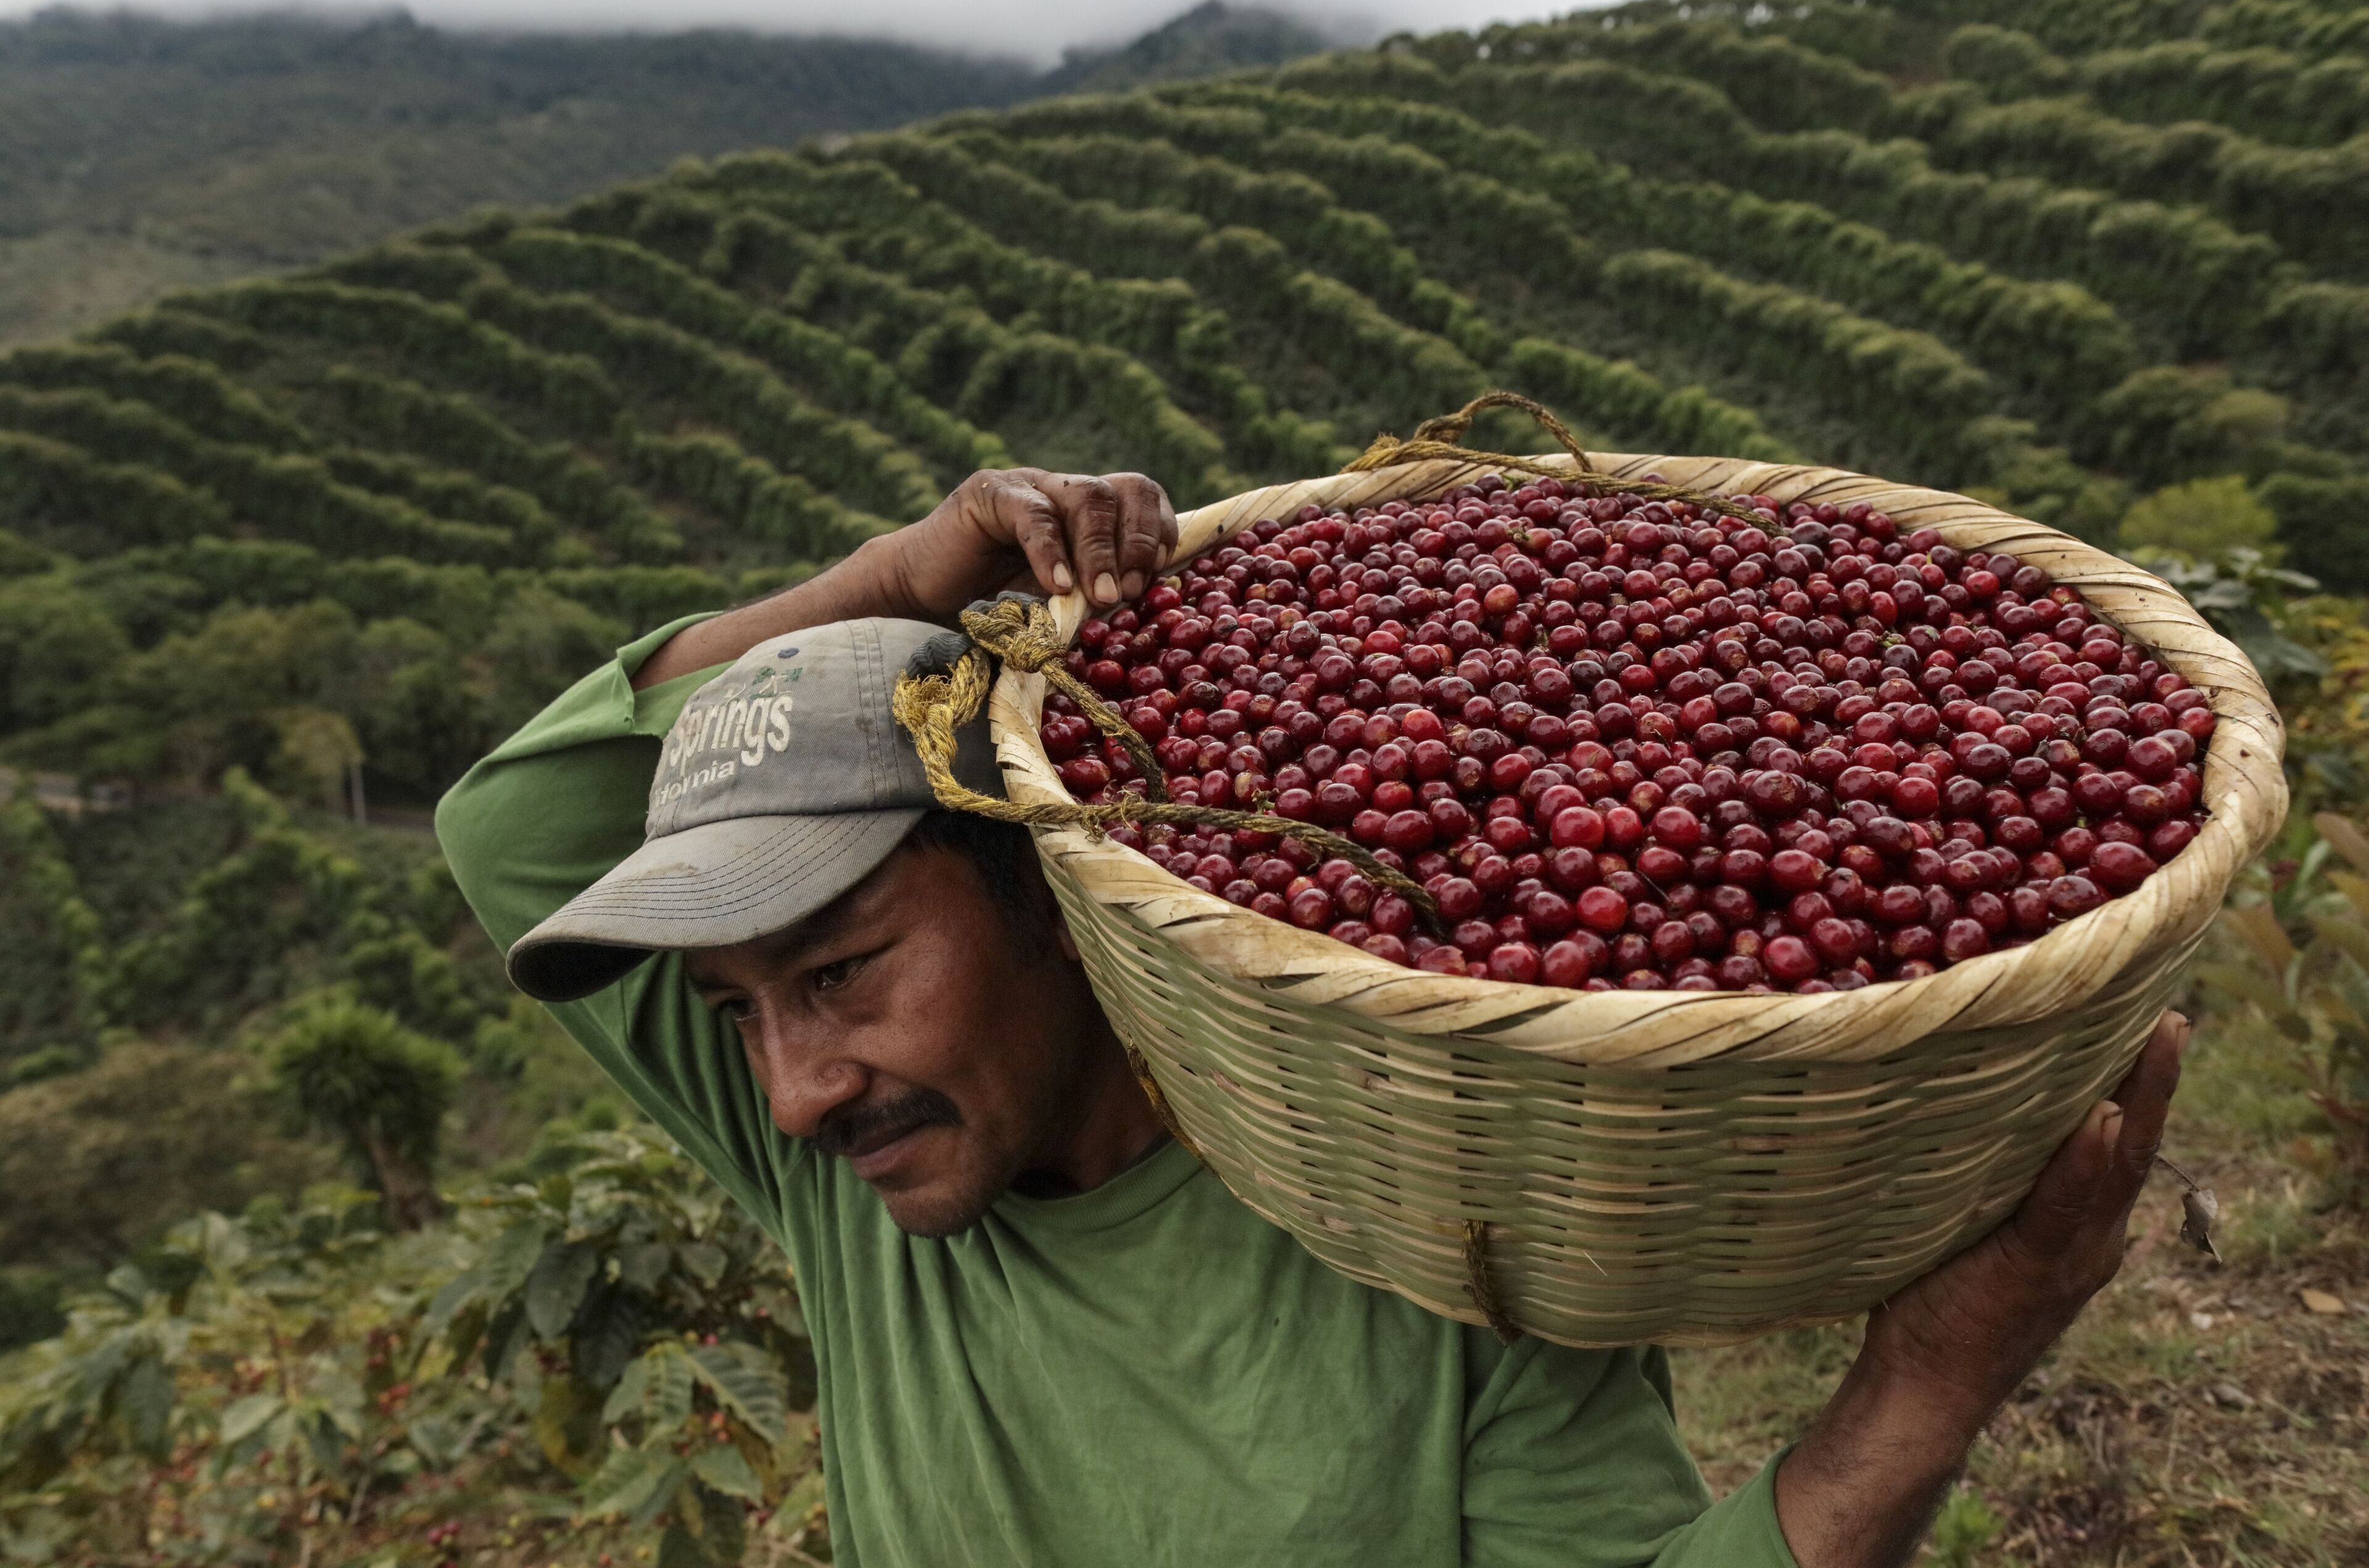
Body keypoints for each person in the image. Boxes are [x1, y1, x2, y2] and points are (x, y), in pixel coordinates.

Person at [437, 466, 2188, 1568]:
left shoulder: (1440, 1229)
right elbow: (507, 832)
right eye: (734, 1009)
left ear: (1058, 887)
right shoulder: (847, 1153)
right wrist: (897, 572)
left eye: (838, 974)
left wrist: (1935, 1379)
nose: (794, 1088)